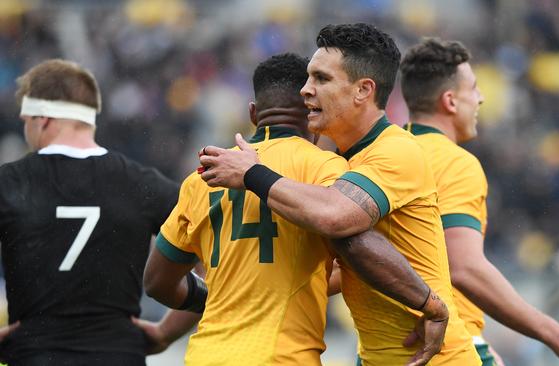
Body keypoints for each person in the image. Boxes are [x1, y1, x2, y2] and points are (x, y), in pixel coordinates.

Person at [199, 24, 480, 366]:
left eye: (321, 79)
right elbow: (349, 265)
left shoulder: (395, 150)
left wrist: (250, 173)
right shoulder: (344, 160)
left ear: (363, 90)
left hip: (438, 359)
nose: (305, 90)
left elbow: (336, 218)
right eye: (308, 78)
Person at [144, 53, 447, 366]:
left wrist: (222, 297)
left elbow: (157, 282)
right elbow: (353, 242)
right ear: (312, 110)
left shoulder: (204, 177)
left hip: (204, 356)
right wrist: (427, 302)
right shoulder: (325, 169)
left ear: (252, 113)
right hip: (282, 357)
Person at [399, 37, 559, 366]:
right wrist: (554, 333)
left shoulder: (383, 158)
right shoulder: (455, 163)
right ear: (450, 101)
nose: (481, 97)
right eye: (473, 89)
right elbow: (465, 269)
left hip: (383, 348)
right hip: (446, 351)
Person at [0, 59, 181, 365]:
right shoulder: (141, 183)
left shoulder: (9, 182)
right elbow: (214, 255)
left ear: (42, 118)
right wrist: (166, 331)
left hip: (36, 355)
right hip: (118, 354)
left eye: (26, 120)